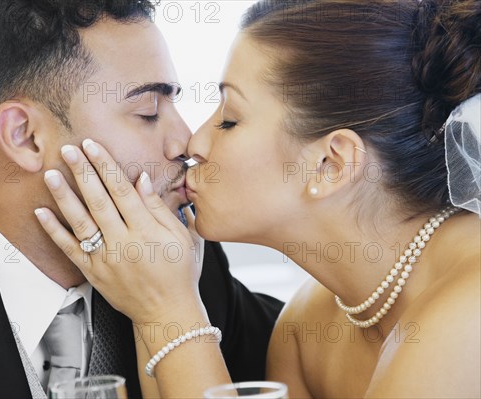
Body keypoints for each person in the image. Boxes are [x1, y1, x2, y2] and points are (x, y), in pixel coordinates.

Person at [36, 0, 481, 397]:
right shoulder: (307, 325)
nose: (194, 144)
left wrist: (169, 312)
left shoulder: (467, 317)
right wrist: (154, 298)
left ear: (331, 164)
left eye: (229, 120)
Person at [0, 1, 283, 397]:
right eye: (148, 112)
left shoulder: (173, 260)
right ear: (25, 136)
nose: (187, 141)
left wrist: (172, 313)